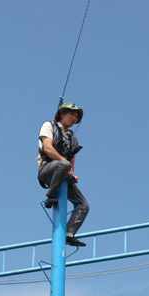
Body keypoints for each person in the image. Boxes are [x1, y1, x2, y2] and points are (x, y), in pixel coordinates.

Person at [38, 102, 90, 247]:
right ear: (62, 114)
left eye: (76, 117)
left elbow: (72, 157)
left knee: (83, 205)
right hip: (47, 169)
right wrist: (66, 165)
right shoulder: (49, 126)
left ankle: (69, 233)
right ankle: (50, 195)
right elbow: (48, 149)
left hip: (63, 173)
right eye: (72, 114)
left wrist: (71, 172)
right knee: (64, 164)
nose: (74, 119)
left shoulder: (72, 137)